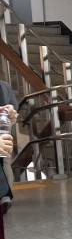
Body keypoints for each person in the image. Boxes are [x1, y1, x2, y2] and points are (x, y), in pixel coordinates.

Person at [0, 80, 18, 214]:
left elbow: (14, 108)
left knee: (5, 161)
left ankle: (5, 196)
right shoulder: (4, 85)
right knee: (5, 162)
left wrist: (11, 114)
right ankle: (5, 197)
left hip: (3, 132)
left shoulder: (4, 85)